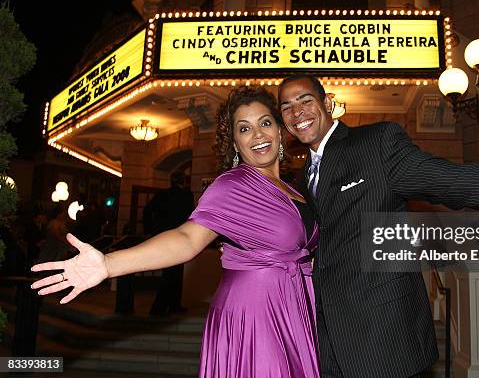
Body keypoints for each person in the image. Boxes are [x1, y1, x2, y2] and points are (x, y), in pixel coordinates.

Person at [277, 74, 479, 378]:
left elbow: (450, 180)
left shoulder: (376, 143)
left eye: (306, 100)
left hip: (384, 336)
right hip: (329, 340)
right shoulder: (303, 176)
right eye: (287, 106)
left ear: (328, 103)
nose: (297, 112)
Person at [31, 86, 320, 378]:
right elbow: (187, 238)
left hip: (296, 304)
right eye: (244, 128)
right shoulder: (233, 186)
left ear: (280, 131)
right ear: (234, 142)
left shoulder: (296, 189)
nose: (257, 134)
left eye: (265, 123)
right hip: (257, 313)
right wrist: (108, 264)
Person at [143, 171, 194, 316]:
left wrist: (151, 231)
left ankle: (171, 305)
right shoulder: (186, 196)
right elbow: (191, 217)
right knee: (174, 273)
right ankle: (160, 308)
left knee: (170, 272)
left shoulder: (161, 195)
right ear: (183, 182)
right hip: (179, 238)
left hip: (163, 237)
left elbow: (147, 211)